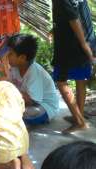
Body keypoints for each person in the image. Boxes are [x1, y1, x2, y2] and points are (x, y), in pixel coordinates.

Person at [0, 34, 59, 125]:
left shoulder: (34, 72)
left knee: (19, 113)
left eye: (10, 54)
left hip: (44, 107)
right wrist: (3, 73)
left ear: (22, 57)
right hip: (28, 103)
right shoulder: (15, 67)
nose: (7, 56)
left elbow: (31, 101)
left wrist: (8, 83)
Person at [52, 0, 95, 133]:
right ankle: (79, 115)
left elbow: (74, 18)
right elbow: (80, 13)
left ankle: (79, 121)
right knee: (80, 79)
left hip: (70, 45)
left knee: (61, 81)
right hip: (86, 39)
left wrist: (84, 45)